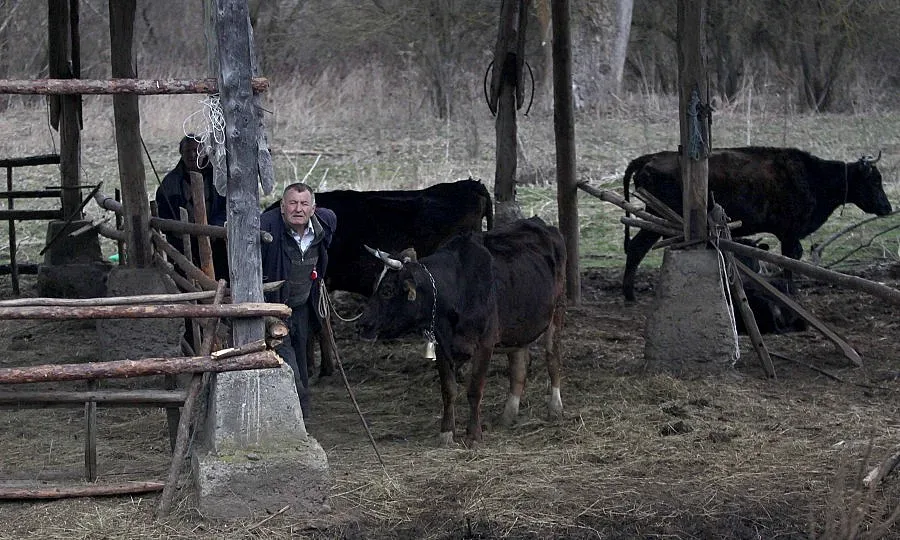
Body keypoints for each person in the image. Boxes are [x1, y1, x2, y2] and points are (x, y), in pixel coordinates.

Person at [260, 182, 336, 419]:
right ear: (282, 207)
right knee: (286, 362)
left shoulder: (323, 225)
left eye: (304, 204)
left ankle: (301, 415)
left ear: (313, 209)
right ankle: (296, 410)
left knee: (302, 359)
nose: (298, 209)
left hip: (301, 306)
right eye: (292, 203)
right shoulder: (267, 226)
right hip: (273, 308)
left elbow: (329, 218)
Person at [154, 135, 229, 281]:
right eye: (188, 151)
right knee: (186, 281)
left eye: (196, 150)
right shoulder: (169, 184)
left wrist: (214, 228)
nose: (192, 155)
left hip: (216, 242)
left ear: (204, 152)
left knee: (220, 280)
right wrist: (180, 232)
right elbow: (164, 217)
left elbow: (226, 208)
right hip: (182, 246)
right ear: (181, 153)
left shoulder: (218, 178)